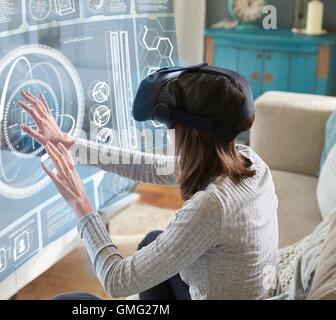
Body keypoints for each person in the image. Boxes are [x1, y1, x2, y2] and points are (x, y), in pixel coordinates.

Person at [17, 65, 280, 300]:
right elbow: (149, 167)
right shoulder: (248, 160)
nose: (165, 131)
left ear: (194, 131)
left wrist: (81, 203)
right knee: (153, 241)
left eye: (169, 123)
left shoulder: (212, 207)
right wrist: (70, 144)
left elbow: (116, 281)